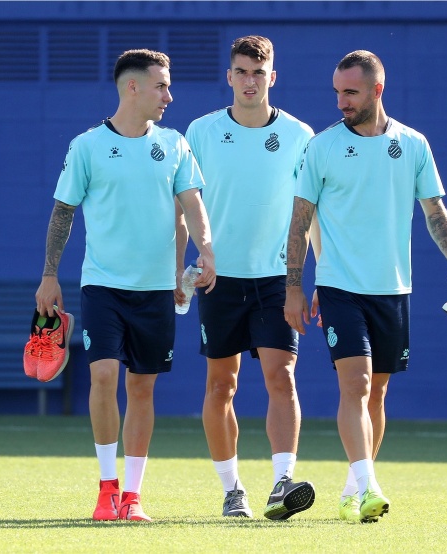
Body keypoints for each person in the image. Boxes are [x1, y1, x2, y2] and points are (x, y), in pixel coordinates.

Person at [284, 50, 447, 523]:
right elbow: (299, 222)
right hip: (339, 287)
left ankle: (353, 489)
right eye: (337, 92)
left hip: (393, 289)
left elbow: (435, 212)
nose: (341, 102)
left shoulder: (413, 144)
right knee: (356, 384)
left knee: (377, 393)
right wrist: (295, 286)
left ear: (377, 90)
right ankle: (371, 486)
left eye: (350, 92)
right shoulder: (322, 147)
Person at [35, 49, 216, 522]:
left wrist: (205, 253)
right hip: (103, 286)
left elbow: (191, 206)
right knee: (103, 376)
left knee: (142, 387)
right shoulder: (87, 146)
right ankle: (106, 489)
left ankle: (132, 496)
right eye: (161, 86)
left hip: (156, 290)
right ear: (132, 87)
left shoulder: (175, 144)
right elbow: (62, 212)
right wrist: (50, 274)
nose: (169, 96)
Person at [180, 35, 316, 520]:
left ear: (272, 77)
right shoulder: (201, 131)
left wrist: (308, 280)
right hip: (218, 280)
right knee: (222, 386)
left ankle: (282, 483)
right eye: (242, 72)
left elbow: (310, 214)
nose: (250, 81)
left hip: (276, 279)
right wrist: (180, 267)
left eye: (259, 73)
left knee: (282, 377)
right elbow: (183, 205)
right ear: (230, 76)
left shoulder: (300, 135)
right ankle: (232, 490)